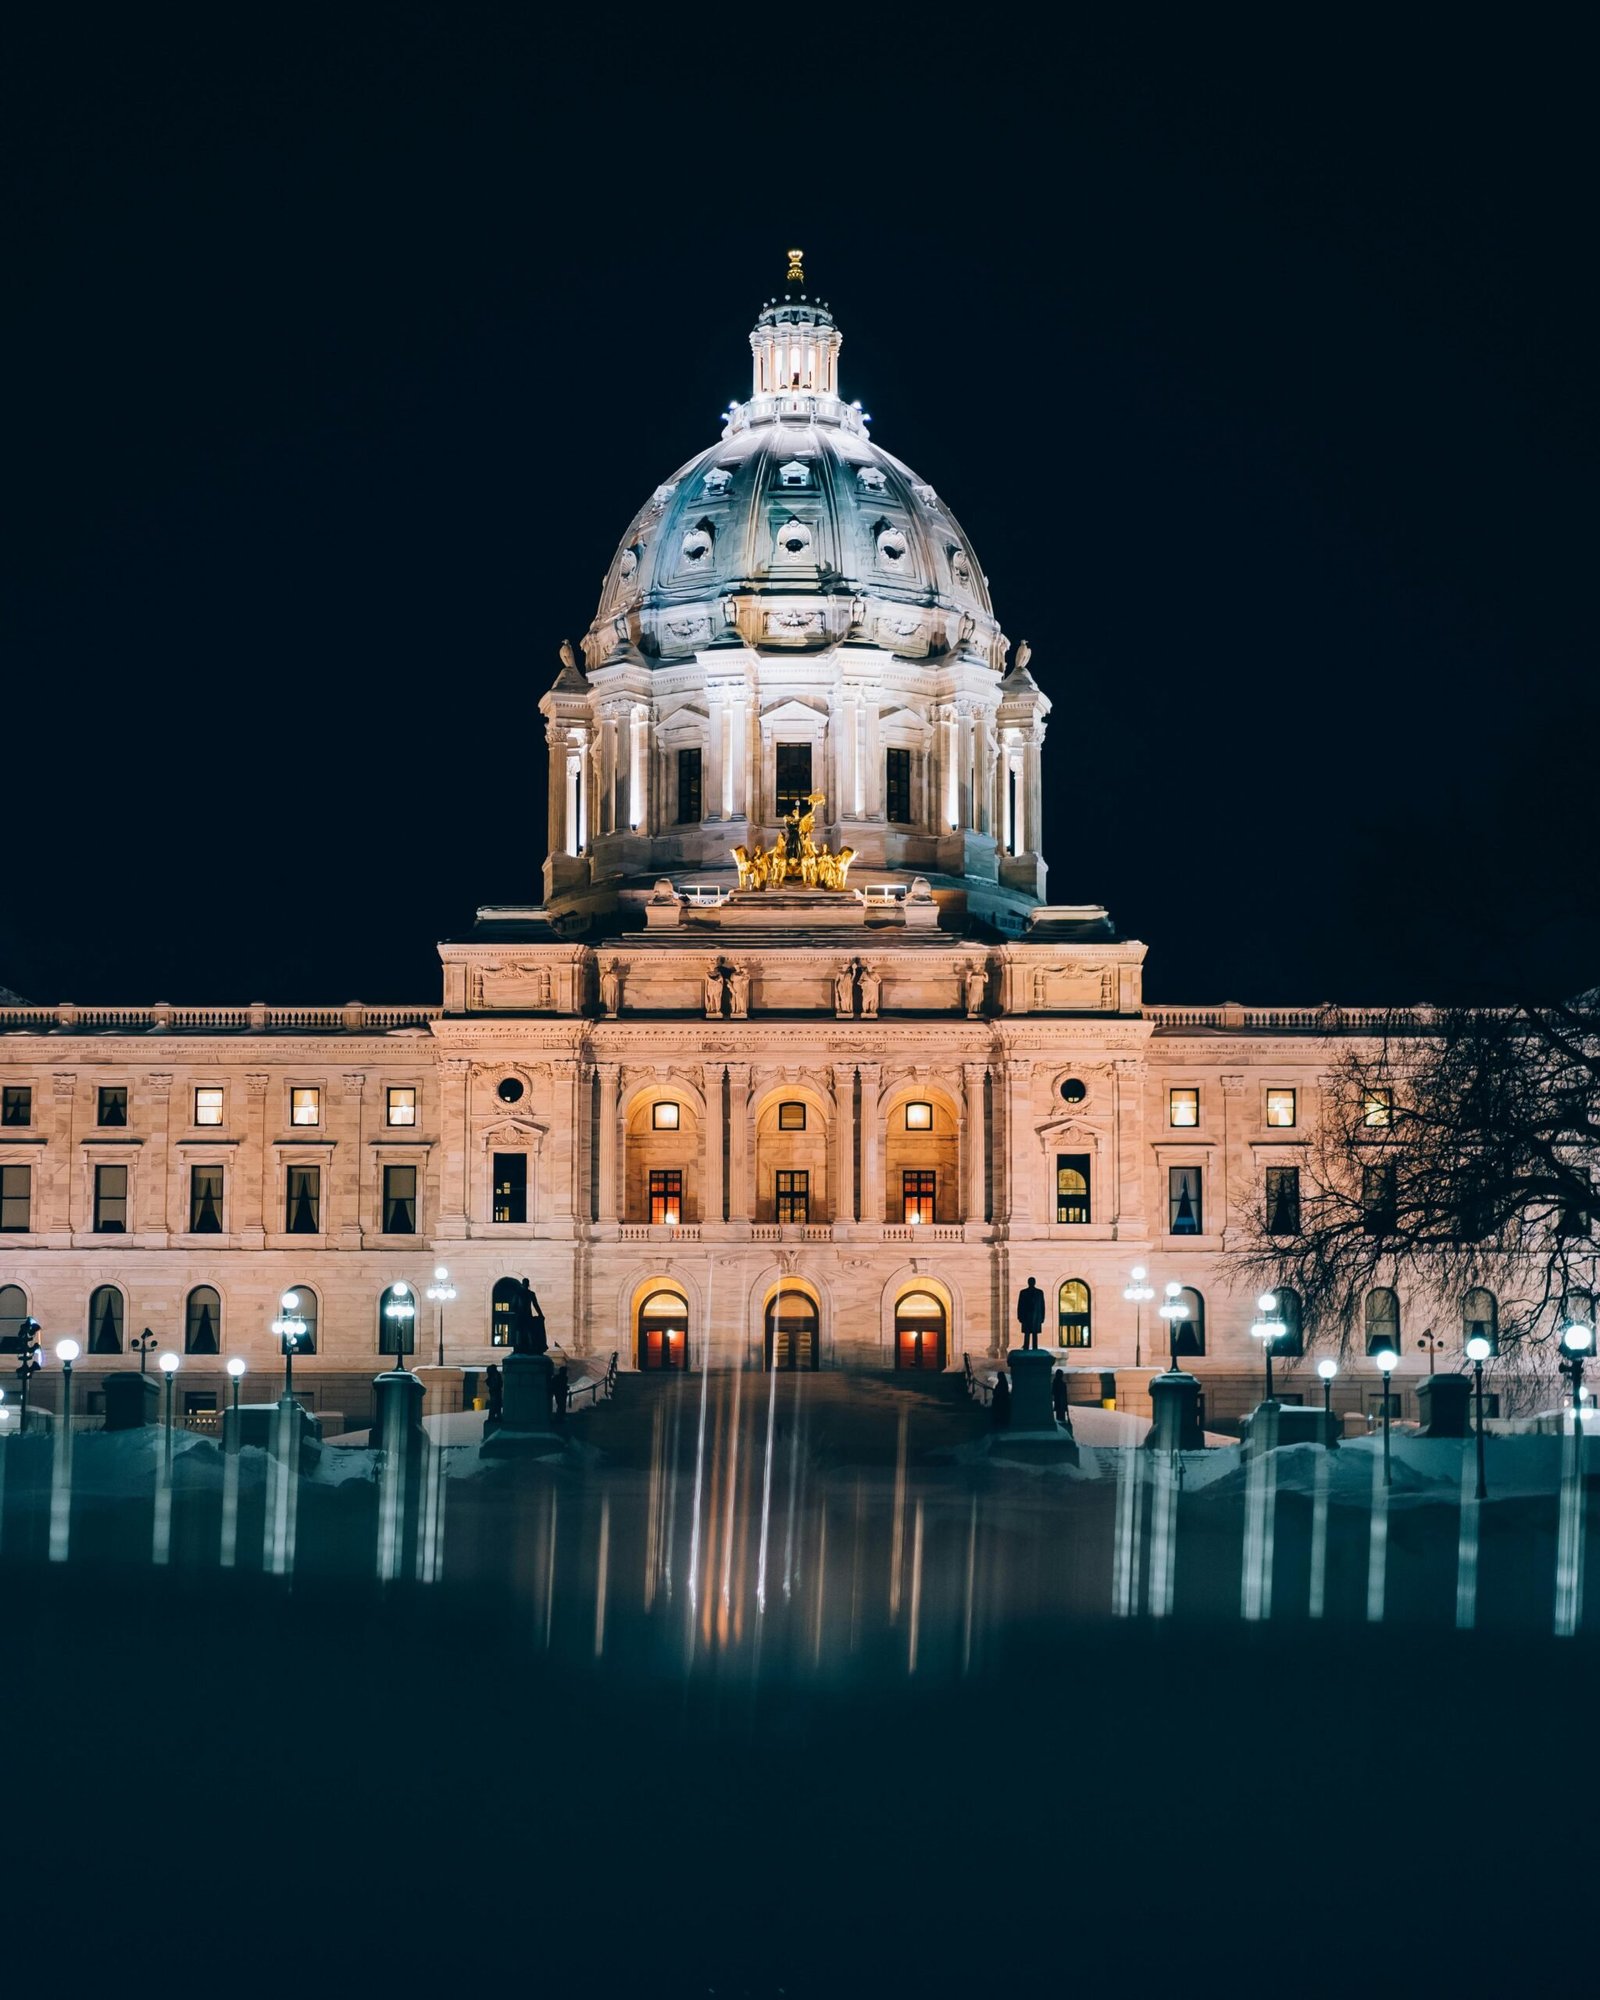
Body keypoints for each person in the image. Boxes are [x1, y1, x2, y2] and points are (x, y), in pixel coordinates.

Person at [1016, 1276, 1046, 1352]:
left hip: (1035, 1317)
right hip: (1027, 1317)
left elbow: (1042, 1306)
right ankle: (1027, 1348)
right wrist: (1019, 1316)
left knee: (1034, 1334)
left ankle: (1034, 1348)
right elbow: (1020, 1305)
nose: (1031, 1283)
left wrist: (1042, 1317)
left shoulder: (1039, 1292)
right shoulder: (1023, 1292)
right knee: (1027, 1334)